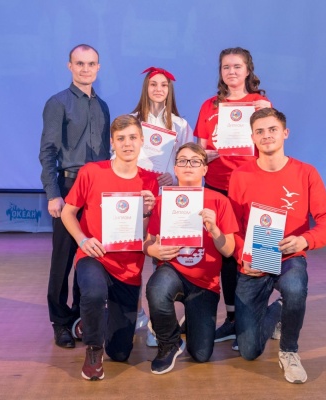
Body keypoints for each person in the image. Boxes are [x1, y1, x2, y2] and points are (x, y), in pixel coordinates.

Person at [228, 108, 326, 383]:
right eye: (260, 131)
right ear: (252, 137)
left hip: (289, 256)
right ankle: (279, 309)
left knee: (295, 287)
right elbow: (233, 227)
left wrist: (305, 240)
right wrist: (242, 256)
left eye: (272, 129)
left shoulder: (306, 173)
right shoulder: (240, 175)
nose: (266, 136)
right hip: (254, 261)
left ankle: (289, 351)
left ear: (285, 133)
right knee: (249, 351)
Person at [61, 115, 158, 381]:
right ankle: (93, 349)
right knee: (93, 293)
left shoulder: (150, 181)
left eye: (132, 138)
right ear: (112, 143)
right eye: (121, 139)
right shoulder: (92, 172)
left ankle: (93, 321)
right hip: (94, 255)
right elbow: (68, 212)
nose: (127, 144)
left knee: (120, 352)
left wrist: (147, 212)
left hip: (128, 267)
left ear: (142, 141)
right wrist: (83, 240)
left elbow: (144, 235)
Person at [193, 47, 273, 348]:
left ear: (248, 70)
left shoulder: (260, 104)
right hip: (217, 187)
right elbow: (200, 149)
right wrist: (208, 155)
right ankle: (232, 319)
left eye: (237, 66)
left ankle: (256, 318)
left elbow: (271, 143)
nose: (232, 72)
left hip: (253, 185)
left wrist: (265, 112)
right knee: (226, 254)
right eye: (226, 67)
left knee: (257, 252)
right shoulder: (209, 106)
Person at [39, 44, 111, 349]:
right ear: (70, 66)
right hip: (69, 188)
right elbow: (48, 151)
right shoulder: (58, 103)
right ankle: (60, 322)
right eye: (80, 63)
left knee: (89, 254)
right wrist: (53, 194)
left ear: (98, 67)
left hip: (97, 191)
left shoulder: (103, 106)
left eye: (91, 64)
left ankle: (82, 318)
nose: (85, 69)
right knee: (63, 258)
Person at [144, 143, 238, 374]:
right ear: (175, 168)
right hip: (172, 271)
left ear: (205, 169)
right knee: (157, 289)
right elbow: (148, 242)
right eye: (183, 161)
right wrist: (154, 251)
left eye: (195, 161)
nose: (188, 165)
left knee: (201, 354)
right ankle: (169, 343)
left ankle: (190, 319)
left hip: (205, 284)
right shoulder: (163, 201)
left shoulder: (219, 201)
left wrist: (214, 230)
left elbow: (229, 251)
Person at [131, 66, 195, 346]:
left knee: (162, 258)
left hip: (168, 197)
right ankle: (136, 313)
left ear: (170, 91)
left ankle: (159, 323)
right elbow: (116, 156)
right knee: (133, 257)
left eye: (164, 85)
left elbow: (190, 160)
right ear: (146, 88)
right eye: (153, 84)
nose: (158, 89)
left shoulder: (180, 125)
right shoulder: (132, 120)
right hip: (137, 196)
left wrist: (174, 175)